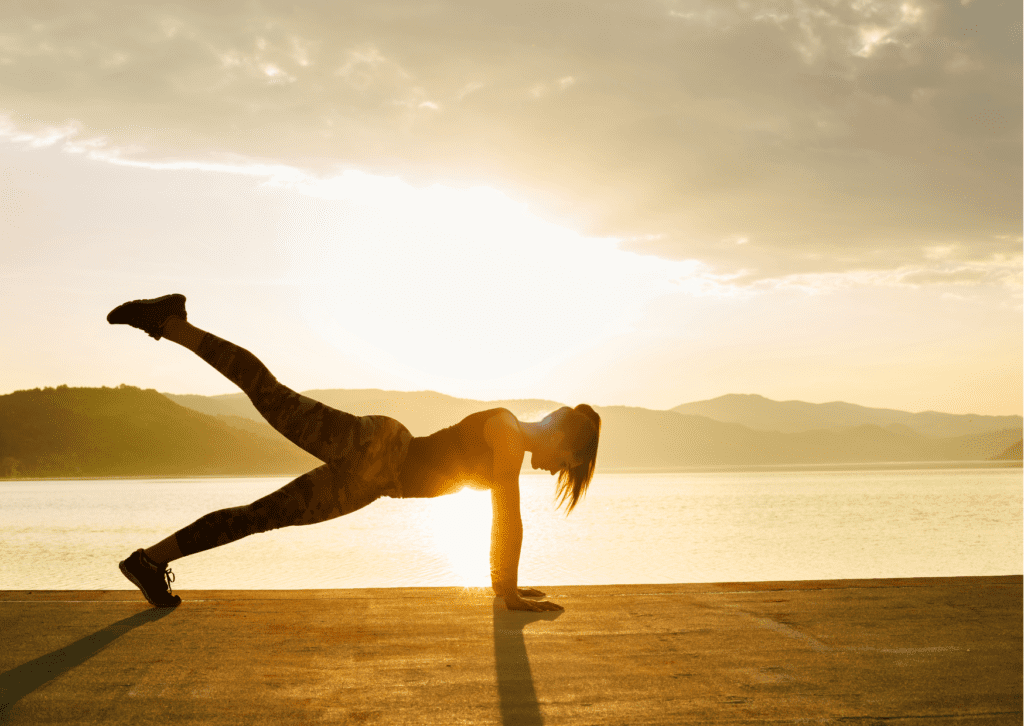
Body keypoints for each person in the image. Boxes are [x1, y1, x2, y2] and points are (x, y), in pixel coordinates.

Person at [108, 294, 601, 612]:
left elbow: (505, 518)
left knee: (260, 516)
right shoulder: (508, 433)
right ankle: (169, 322)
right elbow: (507, 516)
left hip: (378, 481)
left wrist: (507, 589)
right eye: (567, 465)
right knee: (269, 392)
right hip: (378, 449)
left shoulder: (510, 439)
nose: (556, 470)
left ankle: (149, 562)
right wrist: (509, 593)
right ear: (565, 441)